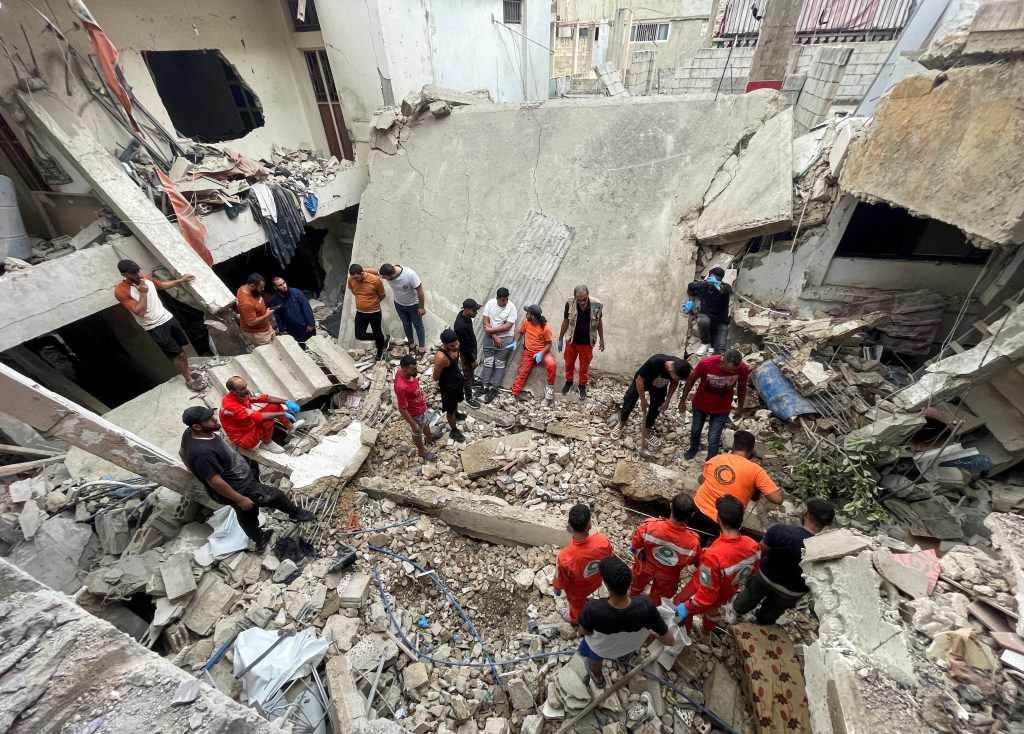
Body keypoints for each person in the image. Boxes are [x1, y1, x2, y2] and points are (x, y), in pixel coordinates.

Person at [179, 406, 314, 551]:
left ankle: (259, 539)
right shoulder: (203, 453)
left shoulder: (190, 433)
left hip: (236, 481)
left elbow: (181, 452)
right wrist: (240, 498)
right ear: (197, 426)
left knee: (246, 513)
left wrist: (192, 470)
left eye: (212, 415)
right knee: (275, 496)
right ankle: (296, 514)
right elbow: (215, 482)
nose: (214, 419)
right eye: (208, 419)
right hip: (238, 487)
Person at [578, 556, 676, 688]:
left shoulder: (593, 609)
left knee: (591, 652)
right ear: (629, 582)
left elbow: (584, 631)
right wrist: (653, 633)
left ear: (606, 585)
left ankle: (598, 677)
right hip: (630, 646)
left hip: (600, 649)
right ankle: (623, 659)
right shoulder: (646, 605)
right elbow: (670, 641)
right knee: (626, 646)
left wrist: (580, 633)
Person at [732, 499, 835, 625]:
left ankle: (735, 613)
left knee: (749, 596)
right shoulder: (828, 550)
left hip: (766, 576)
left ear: (806, 514)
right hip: (793, 590)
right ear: (827, 524)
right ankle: (762, 623)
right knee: (774, 610)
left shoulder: (781, 531)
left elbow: (759, 552)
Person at [113, 259, 205, 392]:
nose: (137, 275)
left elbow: (161, 285)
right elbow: (139, 312)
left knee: (180, 349)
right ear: (124, 275)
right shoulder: (121, 291)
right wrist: (143, 293)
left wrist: (180, 280)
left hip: (167, 318)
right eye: (133, 273)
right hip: (154, 326)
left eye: (137, 270)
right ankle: (188, 379)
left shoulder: (145, 278)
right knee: (176, 354)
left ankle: (187, 371)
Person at [673, 495, 760, 634]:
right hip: (728, 590)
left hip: (708, 588)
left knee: (679, 602)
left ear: (718, 518)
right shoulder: (753, 545)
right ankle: (706, 633)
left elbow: (705, 597)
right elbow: (753, 570)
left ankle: (685, 632)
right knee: (713, 609)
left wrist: (687, 607)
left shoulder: (713, 555)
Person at [690, 430, 783, 544]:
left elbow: (703, 482)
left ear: (733, 445)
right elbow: (778, 499)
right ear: (752, 450)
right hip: (724, 522)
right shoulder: (756, 471)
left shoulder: (716, 459)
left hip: (697, 509)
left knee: (693, 541)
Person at [629, 493, 701, 606]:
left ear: (671, 506)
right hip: (668, 577)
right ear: (691, 515)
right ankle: (651, 610)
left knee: (635, 584)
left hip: (645, 566)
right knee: (658, 599)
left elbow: (635, 545)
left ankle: (631, 599)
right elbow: (692, 562)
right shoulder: (693, 543)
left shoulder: (650, 526)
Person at [678, 349, 749, 462]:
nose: (731, 373)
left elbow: (741, 387)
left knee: (713, 437)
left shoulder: (743, 368)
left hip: (722, 409)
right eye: (728, 370)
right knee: (695, 430)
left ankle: (711, 462)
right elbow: (691, 380)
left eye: (733, 371)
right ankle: (693, 448)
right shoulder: (706, 363)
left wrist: (740, 408)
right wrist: (682, 401)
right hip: (700, 405)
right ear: (722, 360)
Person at [610, 355, 691, 454]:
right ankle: (621, 424)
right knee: (629, 403)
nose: (677, 380)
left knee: (657, 407)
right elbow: (639, 380)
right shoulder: (655, 362)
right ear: (671, 370)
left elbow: (674, 382)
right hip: (642, 382)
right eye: (677, 378)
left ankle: (646, 431)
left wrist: (668, 400)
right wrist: (643, 400)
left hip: (659, 385)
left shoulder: (679, 367)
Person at [552, 504, 614, 624]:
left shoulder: (565, 556)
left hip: (578, 591)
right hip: (595, 582)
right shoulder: (602, 541)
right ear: (589, 525)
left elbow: (562, 579)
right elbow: (609, 561)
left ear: (569, 525)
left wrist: (556, 586)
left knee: (576, 606)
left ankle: (577, 620)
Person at [219, 376, 302, 455]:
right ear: (233, 392)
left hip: (249, 425)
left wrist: (286, 402)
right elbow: (261, 417)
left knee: (274, 406)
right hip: (243, 438)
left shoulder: (242, 394)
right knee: (267, 419)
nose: (247, 389)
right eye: (242, 388)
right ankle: (267, 443)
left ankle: (290, 427)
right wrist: (283, 413)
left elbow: (264, 398)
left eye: (246, 386)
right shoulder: (230, 406)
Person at [364, 264, 427, 359]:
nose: (384, 279)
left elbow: (420, 291)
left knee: (418, 326)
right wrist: (361, 270)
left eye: (386, 278)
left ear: (392, 276)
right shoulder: (386, 273)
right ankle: (412, 345)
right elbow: (375, 271)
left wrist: (421, 307)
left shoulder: (409, 275)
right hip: (399, 304)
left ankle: (422, 348)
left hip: (413, 305)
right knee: (406, 324)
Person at [558, 285, 605, 399]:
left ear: (588, 294)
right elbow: (565, 322)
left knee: (584, 366)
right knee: (569, 363)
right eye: (579, 300)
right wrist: (560, 338)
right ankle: (569, 381)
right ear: (575, 298)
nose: (582, 302)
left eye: (584, 299)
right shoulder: (570, 304)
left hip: (587, 343)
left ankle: (582, 385)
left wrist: (602, 339)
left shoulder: (596, 305)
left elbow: (599, 322)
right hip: (572, 341)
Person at [394, 354, 437, 462]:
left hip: (421, 407)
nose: (416, 371)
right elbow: (402, 408)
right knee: (417, 432)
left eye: (416, 367)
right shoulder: (402, 387)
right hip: (415, 413)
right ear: (404, 370)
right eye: (413, 370)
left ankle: (429, 436)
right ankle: (422, 450)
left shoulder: (402, 371)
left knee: (426, 422)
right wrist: (413, 424)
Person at [478, 288, 518, 403]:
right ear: (497, 299)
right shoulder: (490, 304)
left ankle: (494, 388)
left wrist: (490, 331)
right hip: (491, 337)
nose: (505, 302)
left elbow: (507, 326)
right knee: (488, 361)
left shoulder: (512, 308)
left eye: (506, 299)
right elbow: (485, 321)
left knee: (499, 363)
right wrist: (494, 336)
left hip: (505, 338)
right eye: (502, 300)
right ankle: (485, 386)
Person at [510, 304, 556, 401]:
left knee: (552, 365)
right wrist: (515, 342)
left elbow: (549, 344)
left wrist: (541, 353)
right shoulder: (526, 322)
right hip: (529, 352)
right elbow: (521, 333)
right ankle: (513, 394)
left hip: (542, 352)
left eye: (527, 313)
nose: (526, 314)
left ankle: (550, 388)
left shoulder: (545, 327)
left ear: (532, 316)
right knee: (522, 372)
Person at [684, 267, 732, 356]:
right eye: (711, 279)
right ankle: (705, 343)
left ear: (721, 280)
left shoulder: (725, 287)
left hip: (720, 322)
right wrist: (691, 300)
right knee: (702, 320)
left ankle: (713, 348)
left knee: (720, 350)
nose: (711, 282)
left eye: (716, 280)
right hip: (706, 316)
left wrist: (718, 285)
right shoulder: (702, 286)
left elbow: (725, 290)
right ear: (708, 277)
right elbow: (691, 286)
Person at [347, 264, 390, 361]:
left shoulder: (375, 280)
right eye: (353, 278)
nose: (355, 280)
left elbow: (382, 295)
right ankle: (382, 338)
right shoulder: (351, 280)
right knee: (359, 335)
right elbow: (353, 291)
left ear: (362, 273)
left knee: (376, 331)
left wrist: (372, 303)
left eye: (357, 277)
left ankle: (380, 351)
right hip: (360, 313)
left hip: (374, 312)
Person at [432, 329, 466, 443]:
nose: (456, 347)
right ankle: (454, 430)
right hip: (448, 386)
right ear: (445, 345)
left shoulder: (456, 345)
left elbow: (457, 361)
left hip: (457, 381)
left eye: (456, 343)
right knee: (450, 409)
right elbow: (435, 377)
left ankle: (456, 414)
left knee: (457, 401)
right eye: (452, 345)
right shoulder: (441, 357)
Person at [453, 299, 482, 408]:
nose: (476, 313)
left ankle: (472, 381)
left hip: (471, 349)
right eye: (474, 310)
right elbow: (464, 348)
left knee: (470, 371)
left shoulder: (465, 316)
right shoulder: (461, 326)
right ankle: (469, 397)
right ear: (466, 309)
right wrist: (472, 360)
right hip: (467, 353)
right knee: (467, 374)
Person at [270, 277, 316, 343]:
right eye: (280, 285)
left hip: (305, 328)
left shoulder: (297, 293)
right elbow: (278, 315)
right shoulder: (275, 299)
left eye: (284, 283)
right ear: (275, 288)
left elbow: (307, 308)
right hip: (291, 331)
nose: (284, 286)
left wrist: (311, 324)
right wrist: (282, 329)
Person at [236, 273, 276, 347]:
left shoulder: (244, 288)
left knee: (276, 344)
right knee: (270, 351)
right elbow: (251, 322)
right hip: (258, 333)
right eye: (261, 287)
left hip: (265, 327)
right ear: (252, 286)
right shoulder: (246, 303)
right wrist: (267, 315)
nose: (263, 289)